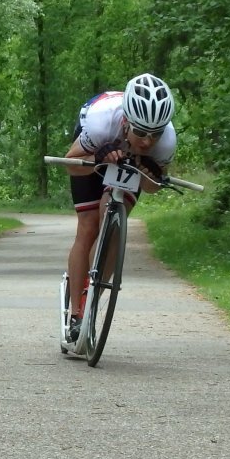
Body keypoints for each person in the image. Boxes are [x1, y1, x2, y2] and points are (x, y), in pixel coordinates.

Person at [63, 73, 176, 341]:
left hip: (129, 164)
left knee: (112, 224)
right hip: (97, 146)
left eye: (155, 135)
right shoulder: (101, 122)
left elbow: (153, 187)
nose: (148, 141)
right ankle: (76, 315)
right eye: (140, 132)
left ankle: (92, 297)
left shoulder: (167, 141)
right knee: (89, 227)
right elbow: (70, 164)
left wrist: (150, 171)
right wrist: (98, 156)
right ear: (126, 121)